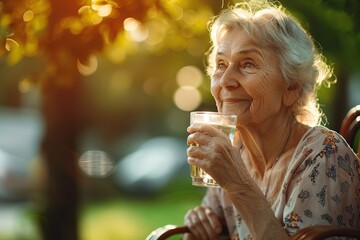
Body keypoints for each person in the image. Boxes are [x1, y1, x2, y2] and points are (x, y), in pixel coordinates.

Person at [184, 0, 360, 239]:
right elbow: (211, 215)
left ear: (292, 88)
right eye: (221, 64)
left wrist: (238, 185)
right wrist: (200, 220)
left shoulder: (324, 155)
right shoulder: (235, 151)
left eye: (248, 64)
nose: (225, 80)